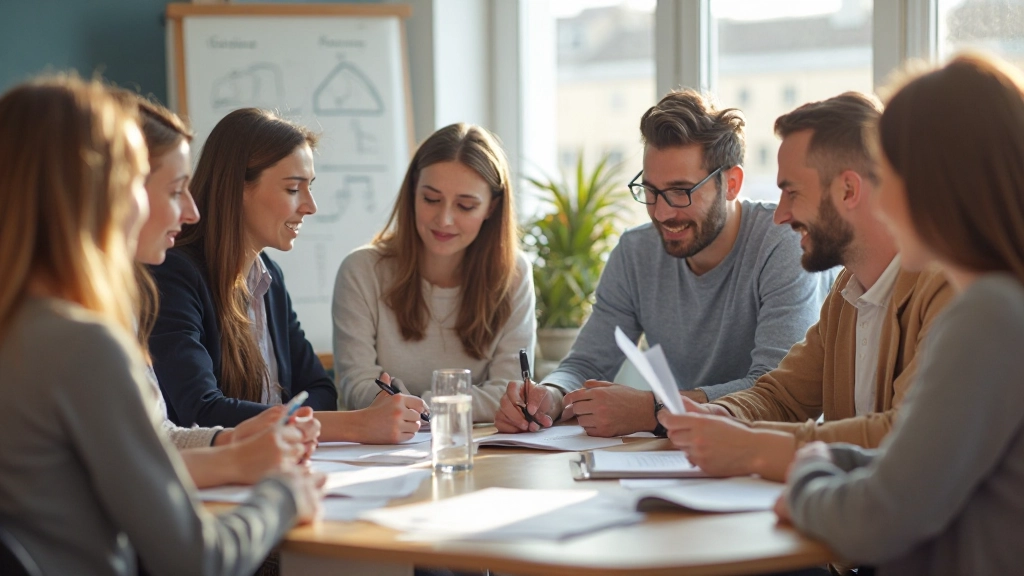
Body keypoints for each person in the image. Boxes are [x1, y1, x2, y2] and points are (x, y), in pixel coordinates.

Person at [0, 75, 322, 576]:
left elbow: (114, 472)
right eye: (142, 184)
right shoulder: (83, 345)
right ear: (96, 192)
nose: (191, 211)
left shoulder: (24, 328)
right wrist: (282, 496)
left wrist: (233, 452)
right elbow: (197, 559)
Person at [773, 53, 1024, 574]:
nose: (880, 205)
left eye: (886, 177)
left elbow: (881, 518)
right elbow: (924, 466)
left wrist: (805, 480)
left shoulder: (987, 316)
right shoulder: (1001, 305)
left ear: (939, 184)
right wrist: (833, 458)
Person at [495, 89, 833, 437]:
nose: (661, 213)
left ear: (731, 184)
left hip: (772, 452)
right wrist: (550, 396)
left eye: (680, 192)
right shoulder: (635, 252)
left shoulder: (783, 243)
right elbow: (587, 362)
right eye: (651, 191)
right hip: (682, 451)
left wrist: (655, 409)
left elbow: (776, 393)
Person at [658, 93, 952, 481]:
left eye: (792, 192)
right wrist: (720, 414)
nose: (780, 215)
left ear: (848, 190)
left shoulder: (946, 287)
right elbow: (784, 397)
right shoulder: (848, 290)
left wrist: (750, 448)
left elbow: (904, 436)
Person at [149, 107, 427, 444]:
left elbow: (320, 388)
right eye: (294, 189)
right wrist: (355, 424)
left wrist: (290, 422)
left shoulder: (270, 278)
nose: (310, 206)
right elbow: (202, 411)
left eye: (309, 187)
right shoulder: (174, 274)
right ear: (238, 188)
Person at [117, 90, 319, 488]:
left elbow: (161, 437)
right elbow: (192, 417)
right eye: (175, 191)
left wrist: (239, 439)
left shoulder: (270, 277)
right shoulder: (170, 275)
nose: (192, 210)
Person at [332, 123, 535, 420]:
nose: (445, 219)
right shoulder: (362, 271)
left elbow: (510, 392)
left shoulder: (513, 274)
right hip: (384, 444)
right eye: (431, 199)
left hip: (478, 444)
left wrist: (415, 407)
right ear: (413, 191)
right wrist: (451, 405)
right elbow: (358, 387)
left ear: (491, 208)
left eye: (465, 206)